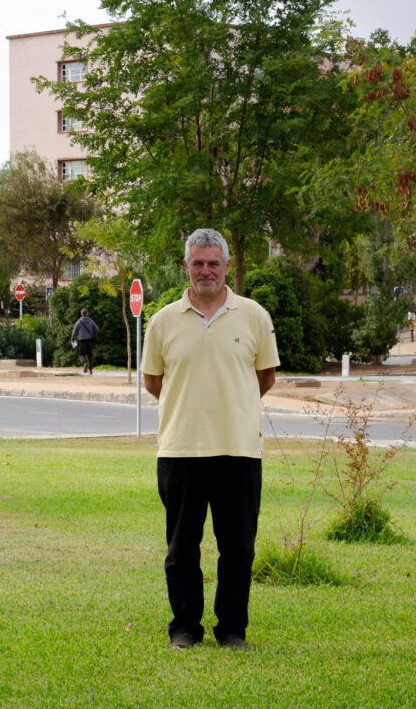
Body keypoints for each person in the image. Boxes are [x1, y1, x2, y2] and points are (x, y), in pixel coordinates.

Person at [141, 228, 278, 650]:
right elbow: (153, 381)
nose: (206, 270)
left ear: (227, 266)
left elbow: (265, 377)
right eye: (198, 263)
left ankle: (232, 630)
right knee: (181, 549)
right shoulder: (163, 321)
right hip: (180, 450)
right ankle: (184, 628)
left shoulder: (253, 315)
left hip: (239, 450)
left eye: (213, 263)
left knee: (238, 549)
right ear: (186, 266)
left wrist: (230, 406)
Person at [71, 308, 99, 374]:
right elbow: (97, 329)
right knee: (89, 355)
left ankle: (84, 363)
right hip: (90, 340)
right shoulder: (91, 321)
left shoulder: (79, 321)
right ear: (87, 314)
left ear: (81, 314)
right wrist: (93, 333)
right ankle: (90, 370)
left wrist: (73, 338)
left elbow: (75, 331)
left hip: (82, 340)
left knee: (81, 354)